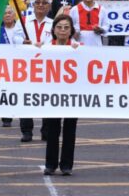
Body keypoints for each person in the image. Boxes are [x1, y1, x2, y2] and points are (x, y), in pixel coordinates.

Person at [43, 15, 81, 176]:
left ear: (71, 30)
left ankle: (66, 165)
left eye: (66, 27)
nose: (63, 30)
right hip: (52, 95)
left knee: (70, 130)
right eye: (60, 27)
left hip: (73, 96)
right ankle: (50, 164)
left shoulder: (79, 48)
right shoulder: (45, 47)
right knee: (52, 130)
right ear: (54, 30)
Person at [15, 0, 54, 142]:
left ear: (49, 7)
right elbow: (16, 37)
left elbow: (57, 40)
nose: (41, 5)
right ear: (33, 4)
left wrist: (44, 46)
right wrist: (24, 41)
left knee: (47, 97)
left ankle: (46, 130)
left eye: (44, 3)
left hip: (47, 65)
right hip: (26, 65)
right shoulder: (24, 20)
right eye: (38, 2)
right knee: (26, 97)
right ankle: (26, 131)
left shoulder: (53, 23)